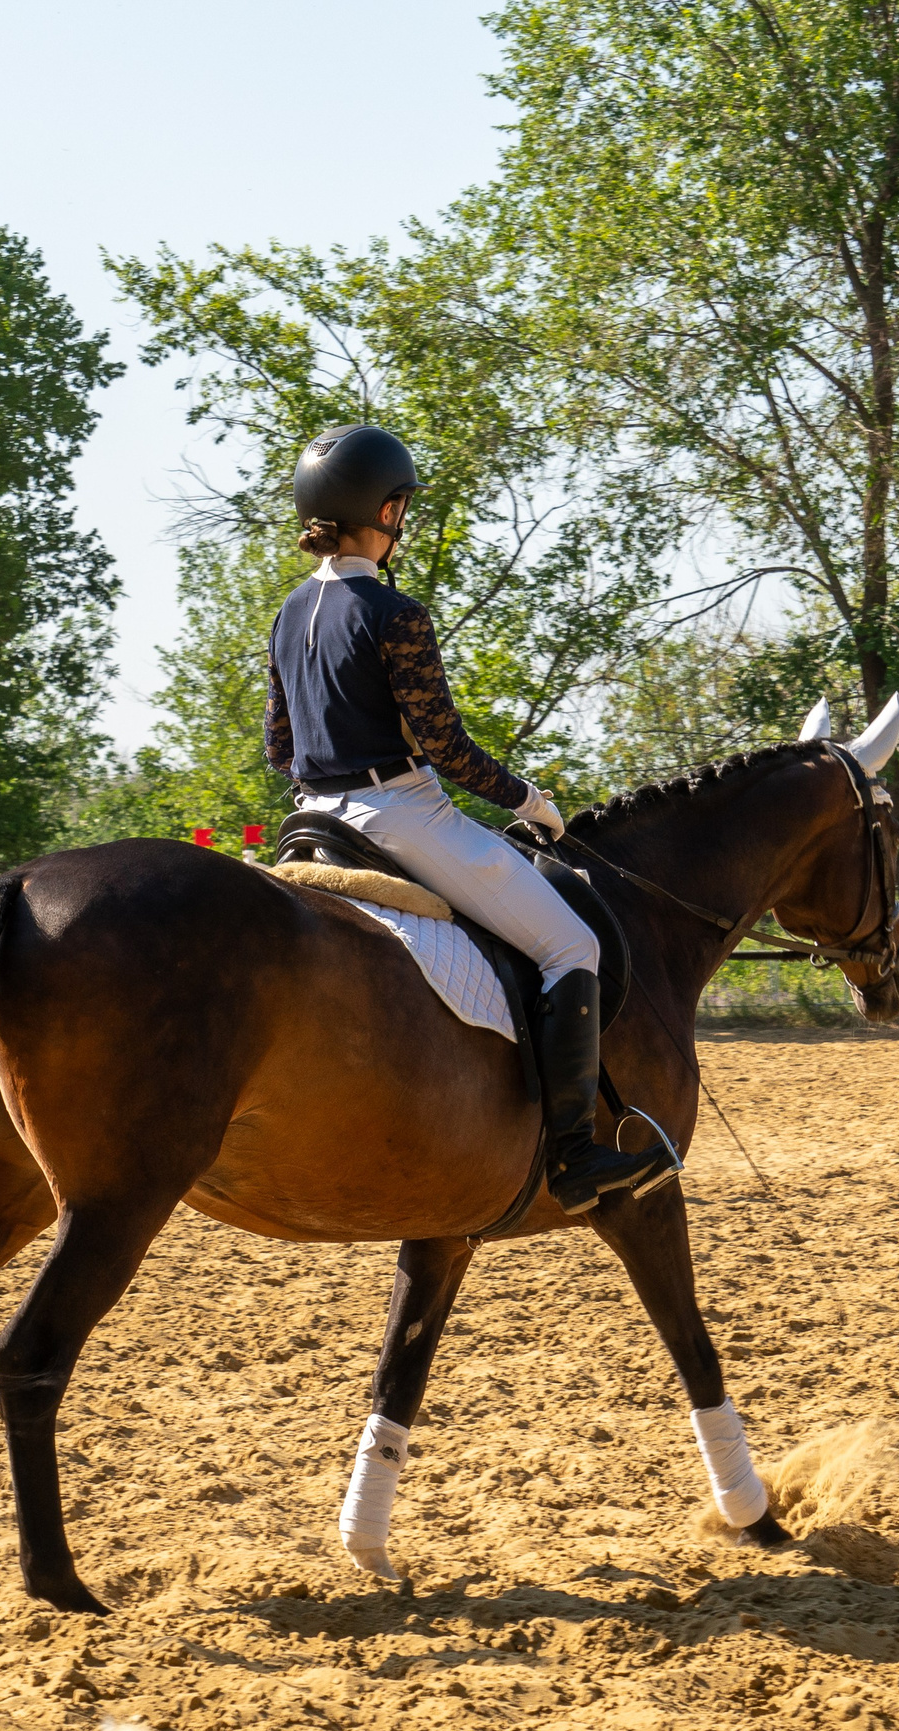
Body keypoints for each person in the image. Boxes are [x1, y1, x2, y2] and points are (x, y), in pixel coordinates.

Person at [264, 422, 676, 1211]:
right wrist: (529, 800)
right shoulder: (394, 614)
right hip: (398, 814)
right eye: (402, 509)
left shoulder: (288, 616)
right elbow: (449, 750)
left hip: (312, 819)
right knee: (571, 943)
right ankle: (574, 1155)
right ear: (385, 513)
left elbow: (279, 747)